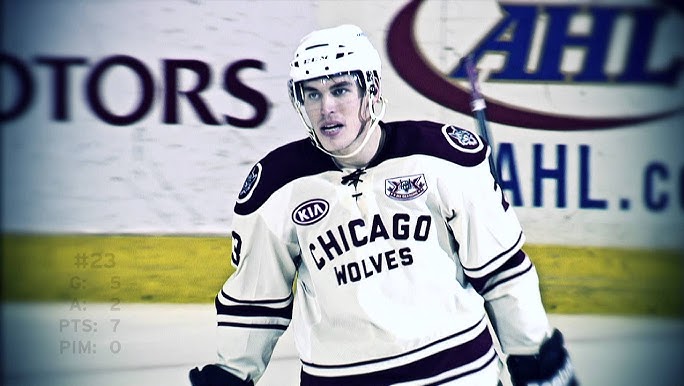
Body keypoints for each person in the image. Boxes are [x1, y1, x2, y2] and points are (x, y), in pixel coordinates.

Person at [189, 24, 577, 386]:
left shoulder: (442, 159)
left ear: (371, 90)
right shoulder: (276, 187)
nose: (327, 108)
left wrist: (533, 356)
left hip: (459, 375)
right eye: (313, 94)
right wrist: (231, 374)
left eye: (340, 90)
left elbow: (501, 271)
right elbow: (256, 302)